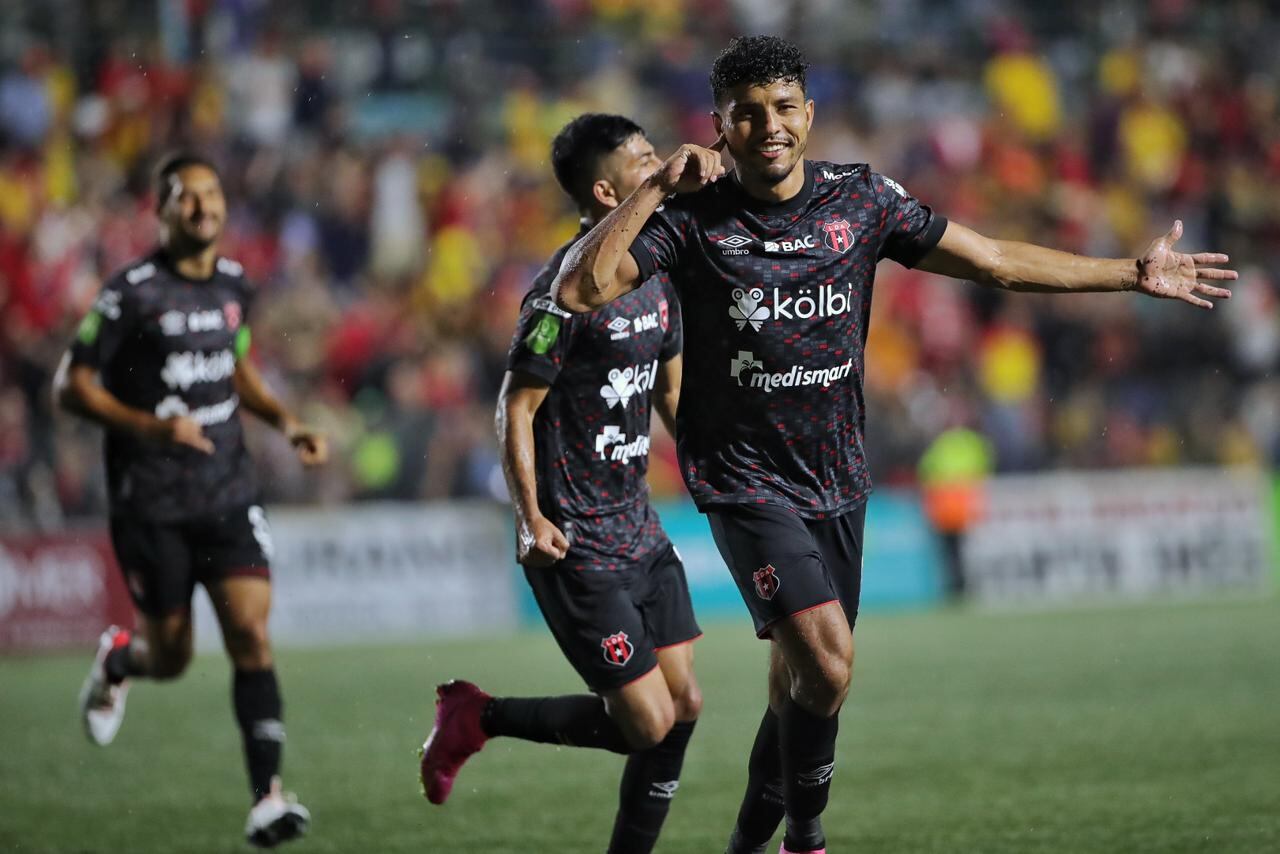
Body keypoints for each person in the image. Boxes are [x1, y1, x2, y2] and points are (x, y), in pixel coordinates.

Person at [550, 36, 1236, 854]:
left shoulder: (861, 201)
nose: (768, 125)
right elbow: (581, 288)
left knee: (802, 686)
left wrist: (1129, 272)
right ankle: (807, 836)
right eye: (746, 113)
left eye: (782, 108)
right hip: (743, 480)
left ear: (809, 114)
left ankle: (747, 845)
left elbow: (994, 262)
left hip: (838, 477)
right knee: (831, 666)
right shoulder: (691, 222)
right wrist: (659, 184)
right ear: (719, 126)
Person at [419, 114, 703, 854]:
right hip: (574, 539)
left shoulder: (657, 278)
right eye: (647, 162)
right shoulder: (561, 293)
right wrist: (528, 515)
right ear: (608, 191)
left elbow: (672, 398)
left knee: (685, 703)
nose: (664, 165)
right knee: (646, 721)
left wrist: (720, 472)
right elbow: (515, 405)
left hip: (639, 527)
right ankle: (477, 717)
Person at [56, 153, 329, 849]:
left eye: (212, 193)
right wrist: (153, 426)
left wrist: (287, 421)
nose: (204, 206)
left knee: (250, 634)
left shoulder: (236, 284)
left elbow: (235, 365)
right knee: (171, 658)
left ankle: (267, 797)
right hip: (150, 502)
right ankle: (122, 660)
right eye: (187, 196)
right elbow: (71, 386)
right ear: (163, 210)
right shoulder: (131, 292)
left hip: (229, 492)